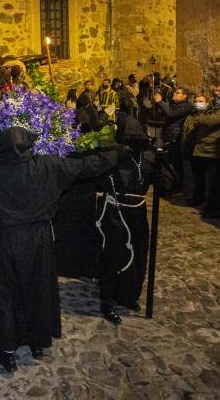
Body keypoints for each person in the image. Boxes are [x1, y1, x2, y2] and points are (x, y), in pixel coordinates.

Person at [0, 126, 125, 372]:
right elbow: (89, 165)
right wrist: (119, 154)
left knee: (8, 293)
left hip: (9, 239)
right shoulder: (49, 166)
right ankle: (37, 340)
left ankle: (8, 350)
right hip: (40, 239)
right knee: (39, 288)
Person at [97, 116, 154, 324]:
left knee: (137, 253)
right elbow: (99, 180)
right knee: (113, 254)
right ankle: (107, 300)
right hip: (115, 212)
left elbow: (166, 182)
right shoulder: (114, 156)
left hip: (137, 213)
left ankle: (128, 294)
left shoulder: (148, 158)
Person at [190, 82, 220, 218]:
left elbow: (208, 121)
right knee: (210, 180)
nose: (216, 92)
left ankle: (214, 209)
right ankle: (208, 205)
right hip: (208, 148)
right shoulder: (219, 106)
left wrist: (200, 115)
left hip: (216, 150)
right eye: (216, 90)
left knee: (216, 181)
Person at [154, 86, 191, 191]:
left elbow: (171, 114)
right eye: (174, 92)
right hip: (170, 136)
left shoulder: (184, 106)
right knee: (169, 162)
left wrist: (160, 102)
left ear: (184, 96)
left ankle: (176, 186)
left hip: (175, 138)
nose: (174, 94)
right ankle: (169, 184)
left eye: (177, 93)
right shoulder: (176, 105)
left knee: (175, 164)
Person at [182, 93, 210, 206]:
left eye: (201, 101)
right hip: (190, 149)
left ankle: (201, 198)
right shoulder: (191, 116)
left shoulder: (209, 117)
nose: (198, 103)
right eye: (196, 101)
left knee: (201, 176)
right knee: (193, 175)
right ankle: (194, 196)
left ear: (207, 103)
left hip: (201, 150)